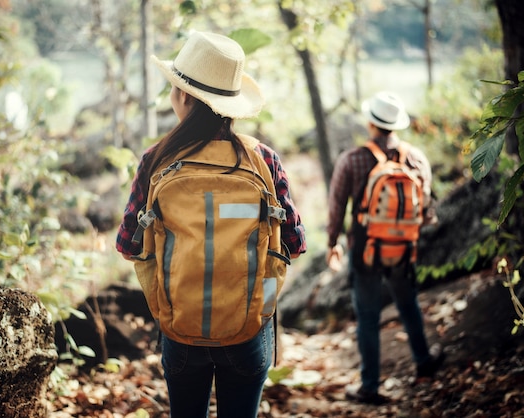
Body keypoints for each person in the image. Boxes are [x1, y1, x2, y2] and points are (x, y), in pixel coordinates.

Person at [116, 31, 307, 418]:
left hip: (179, 325)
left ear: (184, 96)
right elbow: (295, 242)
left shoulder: (157, 159)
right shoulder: (262, 159)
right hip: (249, 326)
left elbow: (127, 244)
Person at [325, 91, 444, 405]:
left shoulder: (352, 159)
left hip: (365, 249)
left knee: (367, 315)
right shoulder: (416, 158)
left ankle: (369, 386)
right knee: (408, 304)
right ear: (396, 125)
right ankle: (424, 362)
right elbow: (426, 207)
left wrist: (332, 243)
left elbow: (337, 206)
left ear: (370, 123)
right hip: (403, 249)